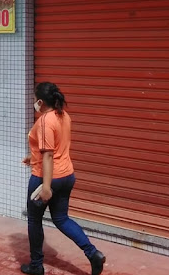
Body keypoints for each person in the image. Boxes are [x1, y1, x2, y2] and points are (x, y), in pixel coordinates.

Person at [21, 82, 106, 275]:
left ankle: (36, 265)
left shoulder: (45, 121)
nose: (33, 102)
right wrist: (32, 158)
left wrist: (46, 187)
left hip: (46, 178)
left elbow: (49, 155)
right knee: (61, 218)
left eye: (34, 99)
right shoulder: (63, 116)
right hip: (67, 175)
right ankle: (93, 254)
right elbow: (55, 148)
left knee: (34, 220)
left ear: (41, 102)